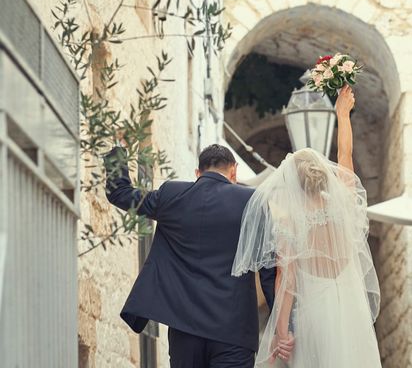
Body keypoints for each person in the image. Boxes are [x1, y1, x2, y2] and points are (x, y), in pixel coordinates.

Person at [232, 85, 382, 367]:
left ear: (295, 186)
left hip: (314, 314)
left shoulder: (291, 223)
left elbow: (285, 282)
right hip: (352, 312)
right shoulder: (344, 203)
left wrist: (281, 333)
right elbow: (345, 157)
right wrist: (343, 115)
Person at [103, 143, 289, 367]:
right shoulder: (252, 202)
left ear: (198, 173)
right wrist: (284, 328)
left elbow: (119, 193)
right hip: (234, 332)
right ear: (234, 171)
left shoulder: (171, 195)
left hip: (184, 329)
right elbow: (269, 271)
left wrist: (116, 154)